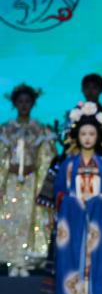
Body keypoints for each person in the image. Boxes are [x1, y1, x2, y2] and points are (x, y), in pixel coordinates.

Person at [51, 106, 102, 294]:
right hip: (73, 226)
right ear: (76, 136)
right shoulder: (68, 165)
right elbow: (59, 194)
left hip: (97, 227)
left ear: (98, 136)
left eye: (91, 133)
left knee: (98, 268)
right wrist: (75, 204)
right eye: (83, 133)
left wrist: (99, 202)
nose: (87, 138)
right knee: (70, 268)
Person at [0, 84, 57, 276]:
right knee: (11, 220)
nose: (24, 105)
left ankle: (25, 261)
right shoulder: (6, 129)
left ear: (32, 104)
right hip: (11, 182)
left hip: (31, 182)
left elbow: (46, 158)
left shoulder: (40, 129)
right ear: (14, 103)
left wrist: (40, 178)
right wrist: (6, 171)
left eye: (27, 101)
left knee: (28, 219)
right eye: (20, 101)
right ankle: (11, 261)